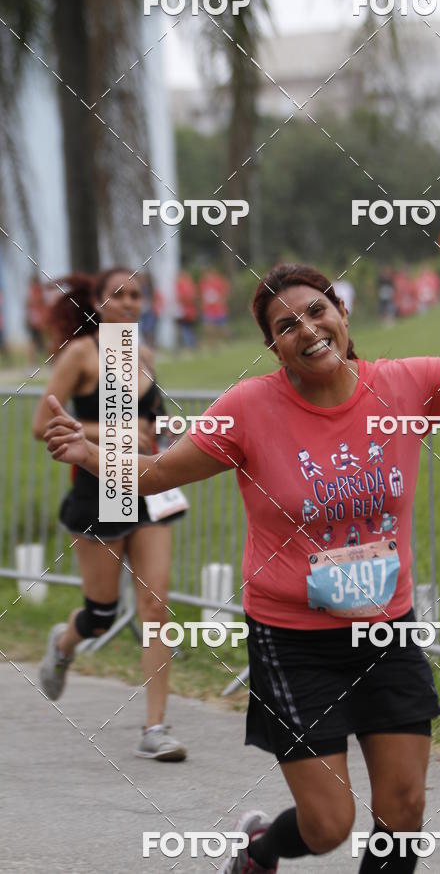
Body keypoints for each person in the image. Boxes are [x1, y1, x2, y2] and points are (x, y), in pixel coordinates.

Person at [42, 261, 440, 872]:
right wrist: (89, 452)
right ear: (273, 347)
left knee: (405, 808)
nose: (306, 329)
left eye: (316, 311)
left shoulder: (404, 386)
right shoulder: (250, 409)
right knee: (330, 823)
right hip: (293, 641)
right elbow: (160, 471)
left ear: (342, 314)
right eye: (286, 325)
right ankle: (259, 850)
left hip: (388, 629)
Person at [33, 268, 187, 761]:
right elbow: (43, 424)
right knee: (102, 614)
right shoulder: (82, 354)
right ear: (97, 303)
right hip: (98, 492)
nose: (127, 303)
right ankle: (65, 644)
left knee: (155, 609)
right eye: (117, 295)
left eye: (136, 295)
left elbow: (151, 422)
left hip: (142, 489)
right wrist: (110, 434)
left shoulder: (142, 355)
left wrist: (167, 434)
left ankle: (156, 728)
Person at [199, 269, 231, 349]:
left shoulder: (218, 281)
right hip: (208, 311)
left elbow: (226, 291)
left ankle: (229, 339)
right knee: (209, 329)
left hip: (219, 310)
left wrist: (222, 301)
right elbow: (202, 296)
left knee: (222, 330)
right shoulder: (203, 283)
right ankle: (213, 346)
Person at [26, 272, 48, 364]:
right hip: (39, 321)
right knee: (40, 342)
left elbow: (29, 304)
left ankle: (32, 363)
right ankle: (49, 361)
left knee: (35, 343)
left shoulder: (34, 291)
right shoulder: (39, 290)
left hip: (36, 321)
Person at [175, 269, 198, 351]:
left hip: (186, 311)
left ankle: (190, 345)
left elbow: (186, 298)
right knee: (185, 329)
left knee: (185, 329)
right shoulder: (188, 284)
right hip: (185, 311)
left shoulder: (183, 285)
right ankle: (189, 346)